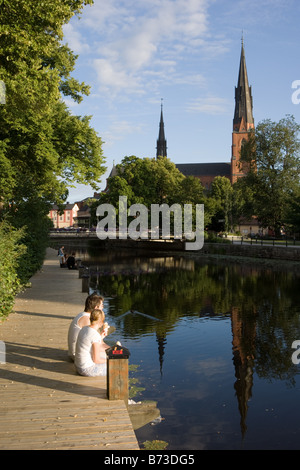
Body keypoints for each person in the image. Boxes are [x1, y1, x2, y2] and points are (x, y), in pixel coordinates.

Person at [67, 293, 104, 361]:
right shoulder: (87, 319)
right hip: (76, 355)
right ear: (96, 308)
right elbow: (95, 342)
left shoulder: (82, 315)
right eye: (101, 305)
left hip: (75, 352)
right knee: (107, 355)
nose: (103, 308)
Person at [75, 309, 109, 377]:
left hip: (78, 366)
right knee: (116, 366)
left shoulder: (84, 328)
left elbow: (90, 342)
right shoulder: (95, 335)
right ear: (101, 322)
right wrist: (110, 360)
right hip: (86, 369)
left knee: (103, 355)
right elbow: (96, 360)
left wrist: (101, 337)